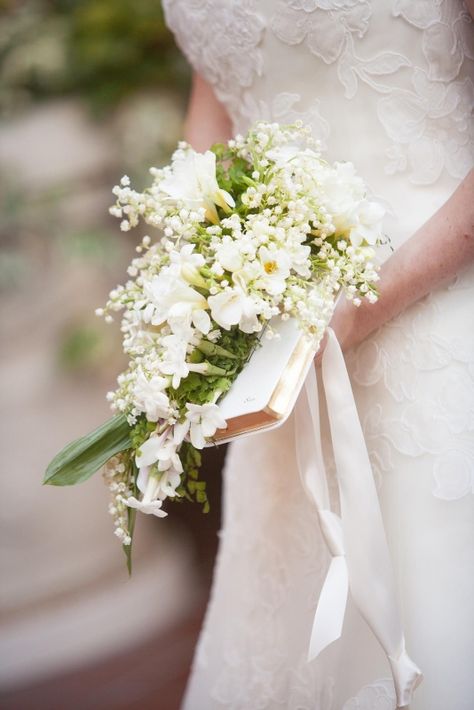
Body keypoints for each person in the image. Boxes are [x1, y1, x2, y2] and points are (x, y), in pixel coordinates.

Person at [162, 1, 474, 708]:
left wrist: (362, 304)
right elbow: (215, 115)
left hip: (450, 318)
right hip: (282, 349)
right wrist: (204, 290)